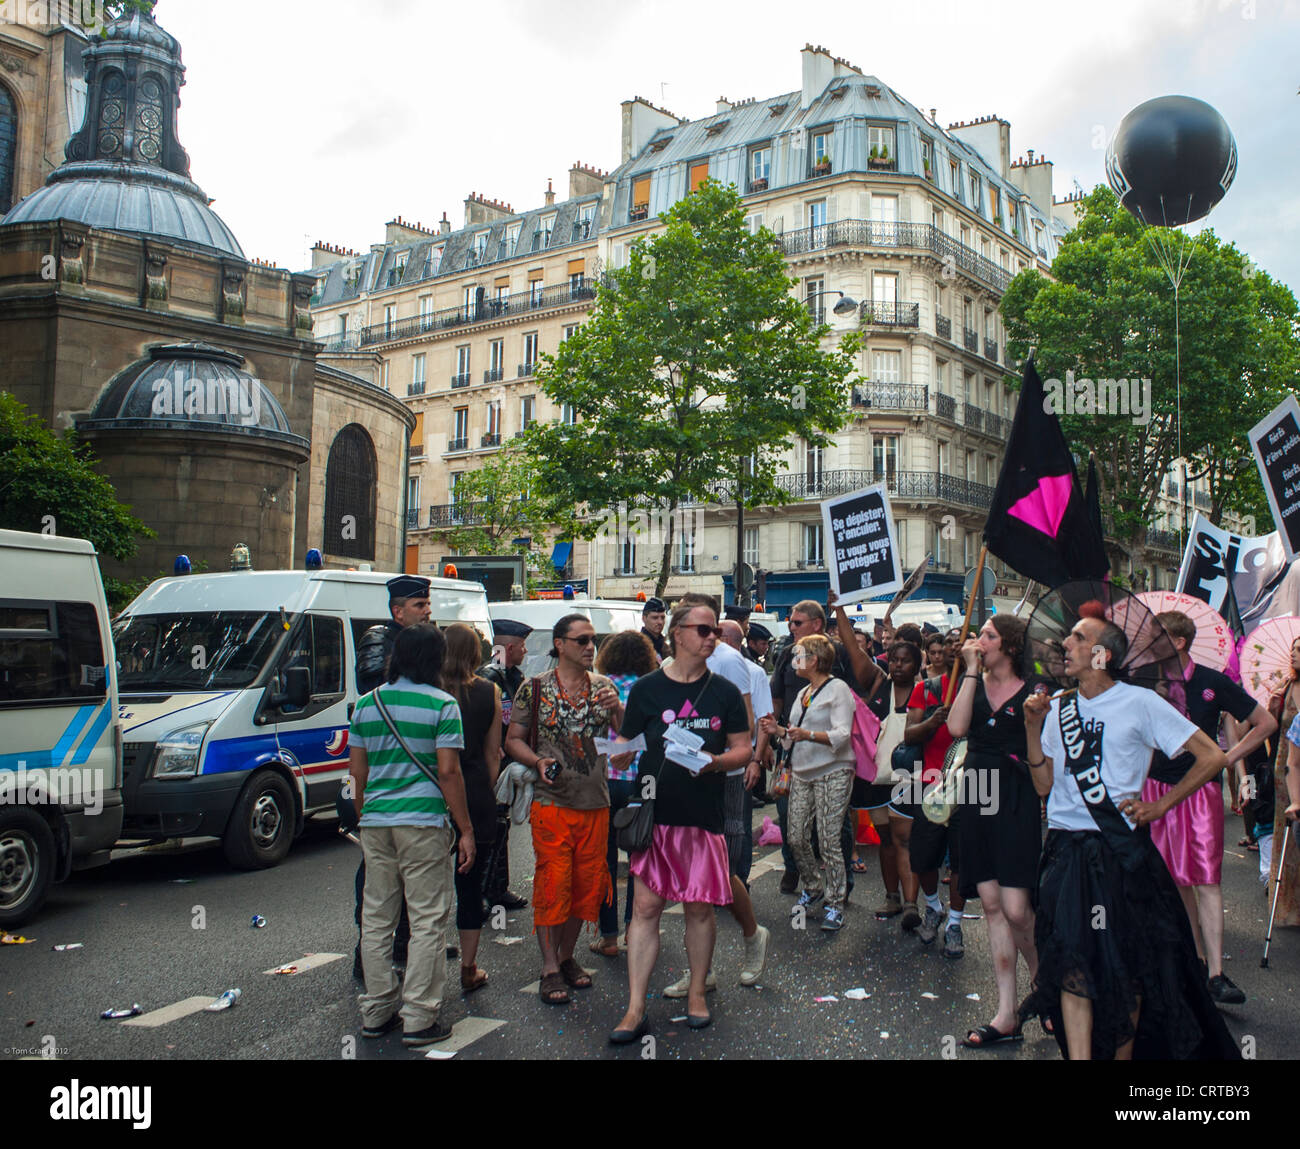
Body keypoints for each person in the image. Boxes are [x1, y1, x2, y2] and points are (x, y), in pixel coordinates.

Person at [1021, 613, 1242, 1061]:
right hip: (1065, 851)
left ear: (1102, 655)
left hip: (1118, 853)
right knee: (1071, 965)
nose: (1065, 643)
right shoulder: (1057, 707)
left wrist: (1160, 805)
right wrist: (1030, 726)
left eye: (1078, 638)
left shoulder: (1140, 703)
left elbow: (1211, 756)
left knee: (1128, 967)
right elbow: (1043, 786)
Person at [609, 602, 751, 1042]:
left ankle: (696, 993)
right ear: (678, 633)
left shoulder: (725, 691)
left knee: (698, 907)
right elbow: (625, 742)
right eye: (704, 630)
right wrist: (619, 750)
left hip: (702, 816)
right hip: (655, 812)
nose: (713, 637)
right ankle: (634, 1008)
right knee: (646, 909)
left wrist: (714, 762)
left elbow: (744, 749)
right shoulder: (648, 690)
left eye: (715, 631)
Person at [350, 623, 475, 1047]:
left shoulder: (366, 705)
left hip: (376, 822)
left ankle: (376, 1008)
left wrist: (365, 815)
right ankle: (419, 1015)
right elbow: (448, 771)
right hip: (423, 822)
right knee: (426, 918)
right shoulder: (443, 705)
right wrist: (466, 828)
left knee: (377, 917)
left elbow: (358, 774)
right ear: (434, 660)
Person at [1143, 611, 1275, 1006]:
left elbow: (1264, 722)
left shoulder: (1212, 682)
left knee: (1206, 879)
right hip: (1156, 789)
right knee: (1175, 879)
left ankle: (1216, 972)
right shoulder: (1147, 684)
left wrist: (1227, 757)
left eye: (1158, 636)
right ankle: (1196, 961)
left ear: (1179, 642)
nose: (1150, 643)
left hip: (1199, 792)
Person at [505, 614, 622, 1006]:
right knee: (553, 884)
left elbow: (624, 751)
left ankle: (568, 956)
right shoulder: (533, 689)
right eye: (582, 640)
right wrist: (537, 762)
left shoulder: (605, 688)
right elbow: (514, 740)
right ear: (560, 645)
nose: (591, 647)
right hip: (552, 802)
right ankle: (549, 965)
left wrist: (618, 709)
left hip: (596, 804)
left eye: (594, 640)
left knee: (585, 889)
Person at [947, 615, 1041, 1049]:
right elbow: (956, 728)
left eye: (988, 635)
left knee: (1018, 908)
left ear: (1011, 644)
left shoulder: (1034, 691)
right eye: (980, 633)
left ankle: (1046, 989)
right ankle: (1007, 1012)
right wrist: (969, 669)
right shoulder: (974, 679)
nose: (978, 640)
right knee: (990, 904)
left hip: (1016, 794)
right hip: (978, 789)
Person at [351, 574, 432, 982]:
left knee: (416, 883)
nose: (428, 611)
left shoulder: (420, 642)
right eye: (420, 606)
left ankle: (410, 945)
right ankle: (368, 959)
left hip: (412, 786)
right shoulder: (379, 640)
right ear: (398, 610)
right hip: (386, 775)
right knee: (378, 886)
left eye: (427, 604)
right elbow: (375, 687)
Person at [760, 633, 858, 929]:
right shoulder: (805, 692)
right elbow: (794, 733)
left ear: (814, 660)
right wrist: (777, 731)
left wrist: (808, 735)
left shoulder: (838, 689)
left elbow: (843, 734)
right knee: (795, 837)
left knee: (829, 840)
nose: (793, 661)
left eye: (799, 656)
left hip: (833, 770)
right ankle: (814, 887)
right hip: (801, 771)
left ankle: (836, 902)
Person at [441, 622, 503, 994]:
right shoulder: (488, 692)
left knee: (426, 890)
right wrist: (484, 784)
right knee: (469, 886)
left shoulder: (430, 692)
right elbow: (493, 751)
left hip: (434, 794)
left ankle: (421, 964)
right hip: (476, 790)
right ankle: (468, 966)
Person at [590, 629, 659, 957]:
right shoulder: (650, 690)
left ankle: (608, 935)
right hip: (640, 781)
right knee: (639, 859)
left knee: (603, 861)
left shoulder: (598, 688)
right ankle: (636, 928)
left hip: (605, 780)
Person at [903, 632, 969, 957]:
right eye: (938, 650)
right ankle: (933, 906)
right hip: (931, 783)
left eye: (952, 649)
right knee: (924, 857)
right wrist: (931, 722)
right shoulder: (924, 689)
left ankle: (955, 924)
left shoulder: (976, 688)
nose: (944, 654)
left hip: (970, 784)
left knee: (961, 860)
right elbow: (909, 734)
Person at [477, 619, 532, 912]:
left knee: (502, 827)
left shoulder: (513, 675)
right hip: (492, 764)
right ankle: (482, 892)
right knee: (490, 830)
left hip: (507, 762)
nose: (525, 651)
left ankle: (499, 888)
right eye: (522, 646)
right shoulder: (488, 678)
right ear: (509, 647)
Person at [1269, 635, 1300, 923]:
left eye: (1299, 650)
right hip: (1286, 765)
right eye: (1292, 650)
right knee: (1288, 833)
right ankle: (1289, 905)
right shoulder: (1286, 687)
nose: (1294, 655)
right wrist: (1273, 704)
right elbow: (1270, 726)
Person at [641, 597, 667, 662]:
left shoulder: (666, 644)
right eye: (655, 618)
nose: (660, 622)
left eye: (663, 617)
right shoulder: (639, 644)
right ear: (644, 618)